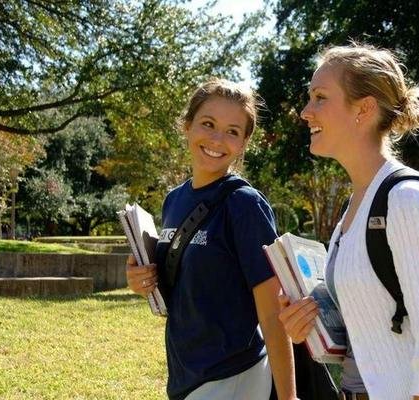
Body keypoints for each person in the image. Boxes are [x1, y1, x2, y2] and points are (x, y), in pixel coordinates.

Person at [278, 43, 419, 400]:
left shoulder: (407, 200)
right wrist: (310, 323)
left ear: (364, 108)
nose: (305, 112)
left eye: (320, 98)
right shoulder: (357, 204)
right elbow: (372, 326)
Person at [126, 78, 296, 400]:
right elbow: (181, 287)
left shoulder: (245, 205)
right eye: (208, 124)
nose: (218, 139)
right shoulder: (174, 200)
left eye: (233, 131)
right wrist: (140, 279)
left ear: (243, 143)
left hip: (234, 374)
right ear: (187, 126)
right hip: (185, 374)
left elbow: (272, 311)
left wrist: (288, 397)